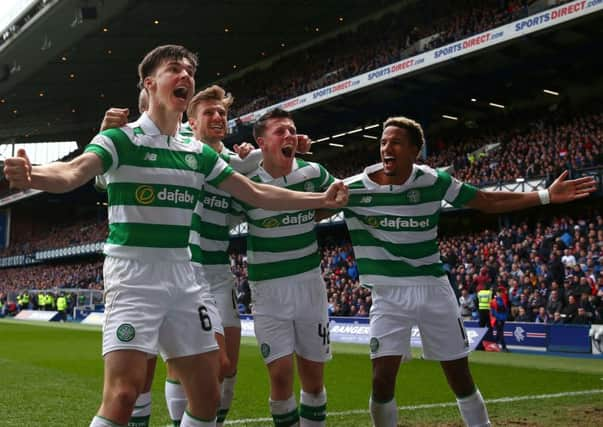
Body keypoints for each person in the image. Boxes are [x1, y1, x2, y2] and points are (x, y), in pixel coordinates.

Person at [3, 44, 348, 427]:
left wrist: (320, 196)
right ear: (150, 84)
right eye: (174, 69)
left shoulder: (197, 153)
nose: (185, 75)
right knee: (122, 393)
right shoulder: (122, 139)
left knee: (207, 393)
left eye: (189, 71)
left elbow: (255, 192)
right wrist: (32, 173)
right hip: (134, 276)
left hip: (185, 278)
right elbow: (73, 172)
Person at [339, 116, 596, 427]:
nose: (386, 148)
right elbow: (314, 207)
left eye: (395, 142)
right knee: (381, 380)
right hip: (387, 294)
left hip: (434, 290)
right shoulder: (351, 188)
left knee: (459, 376)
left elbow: (486, 201)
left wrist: (545, 196)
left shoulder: (434, 181)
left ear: (415, 150)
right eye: (382, 142)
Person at [233, 108, 335, 426]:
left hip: (309, 285)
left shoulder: (314, 174)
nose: (288, 135)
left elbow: (336, 200)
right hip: (267, 290)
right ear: (261, 142)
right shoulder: (246, 183)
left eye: (292, 129)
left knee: (314, 381)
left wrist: (316, 213)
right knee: (279, 377)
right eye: (280, 131)